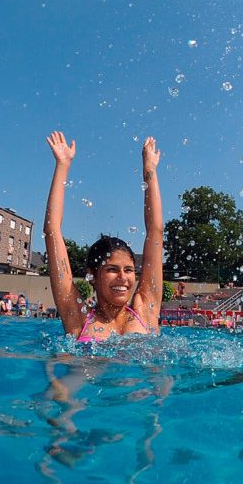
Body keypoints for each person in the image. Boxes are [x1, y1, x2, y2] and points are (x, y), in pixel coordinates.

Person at [43, 130, 163, 342]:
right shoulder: (78, 317)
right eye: (111, 269)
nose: (123, 278)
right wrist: (62, 166)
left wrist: (149, 170)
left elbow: (155, 231)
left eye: (128, 270)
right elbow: (52, 232)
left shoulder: (146, 310)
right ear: (92, 276)